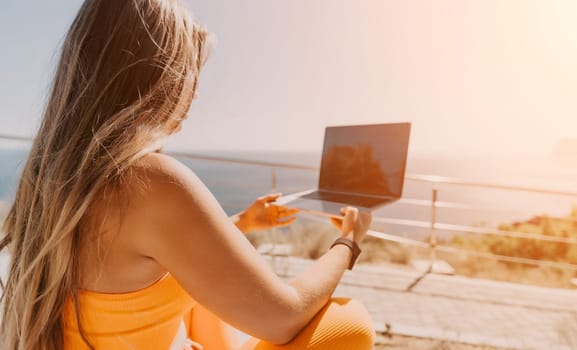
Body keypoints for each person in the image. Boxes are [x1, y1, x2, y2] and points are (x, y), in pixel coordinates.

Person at [0, 0, 375, 349]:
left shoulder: (49, 176)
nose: (195, 96)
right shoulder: (148, 181)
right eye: (192, 73)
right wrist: (348, 243)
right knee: (350, 322)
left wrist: (242, 222)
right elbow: (284, 316)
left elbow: (137, 253)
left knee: (202, 290)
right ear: (162, 77)